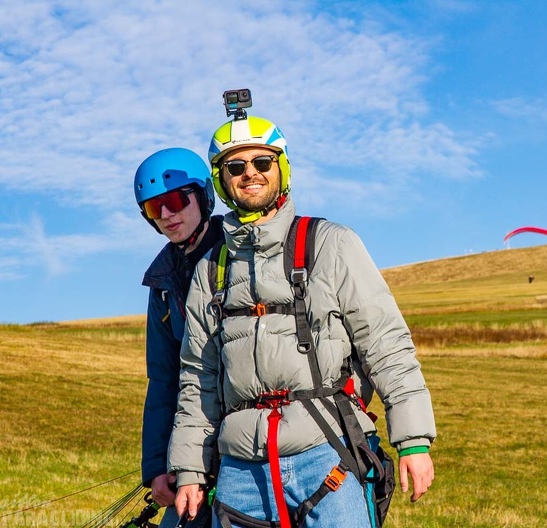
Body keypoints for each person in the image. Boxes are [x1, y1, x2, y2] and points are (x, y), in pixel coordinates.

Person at [169, 114, 437, 528]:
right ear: (222, 182)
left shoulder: (330, 243)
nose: (250, 174)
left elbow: (385, 343)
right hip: (242, 474)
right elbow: (197, 379)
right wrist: (190, 469)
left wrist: (413, 441)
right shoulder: (210, 271)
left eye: (263, 163)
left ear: (282, 168)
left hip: (327, 454)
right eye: (235, 168)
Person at [134, 147, 224, 528]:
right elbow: (163, 378)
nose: (167, 215)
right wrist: (157, 467)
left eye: (174, 200)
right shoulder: (163, 284)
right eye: (155, 209)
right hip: (192, 443)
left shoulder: (240, 249)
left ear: (204, 196)